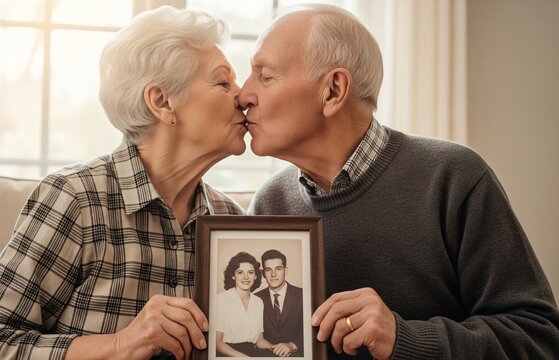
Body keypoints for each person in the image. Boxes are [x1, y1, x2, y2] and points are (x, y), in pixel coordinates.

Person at [238, 4, 559, 359]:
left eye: (265, 76)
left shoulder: (454, 178)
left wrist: (403, 337)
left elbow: (539, 338)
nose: (243, 95)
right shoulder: (269, 204)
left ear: (332, 90)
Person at [0, 6, 248, 360]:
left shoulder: (233, 220)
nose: (243, 96)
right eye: (223, 82)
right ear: (163, 102)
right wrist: (119, 345)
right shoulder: (76, 199)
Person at [215, 251, 275, 357]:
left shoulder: (258, 302)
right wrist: (244, 358)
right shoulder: (221, 299)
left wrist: (277, 348)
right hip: (228, 353)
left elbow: (259, 341)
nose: (246, 277)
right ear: (233, 276)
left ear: (255, 276)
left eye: (250, 272)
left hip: (252, 352)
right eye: (240, 272)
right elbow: (217, 342)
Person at [255, 249, 304, 357]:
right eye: (268, 270)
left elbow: (312, 330)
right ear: (263, 273)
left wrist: (292, 345)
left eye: (278, 269)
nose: (273, 274)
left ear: (285, 270)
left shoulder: (303, 295)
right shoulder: (255, 299)